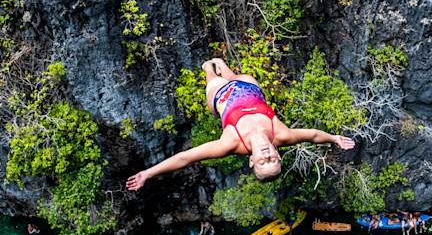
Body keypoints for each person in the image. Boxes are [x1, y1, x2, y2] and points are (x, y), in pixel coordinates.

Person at [126, 57, 355, 191]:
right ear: (278, 154)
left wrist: (148, 173)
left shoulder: (230, 143)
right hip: (249, 88)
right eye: (272, 160)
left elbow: (186, 157)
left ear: (252, 161)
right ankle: (221, 63)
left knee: (211, 73)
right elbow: (314, 135)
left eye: (263, 162)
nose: (267, 156)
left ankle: (208, 67)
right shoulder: (283, 135)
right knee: (228, 69)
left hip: (220, 97)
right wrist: (334, 138)